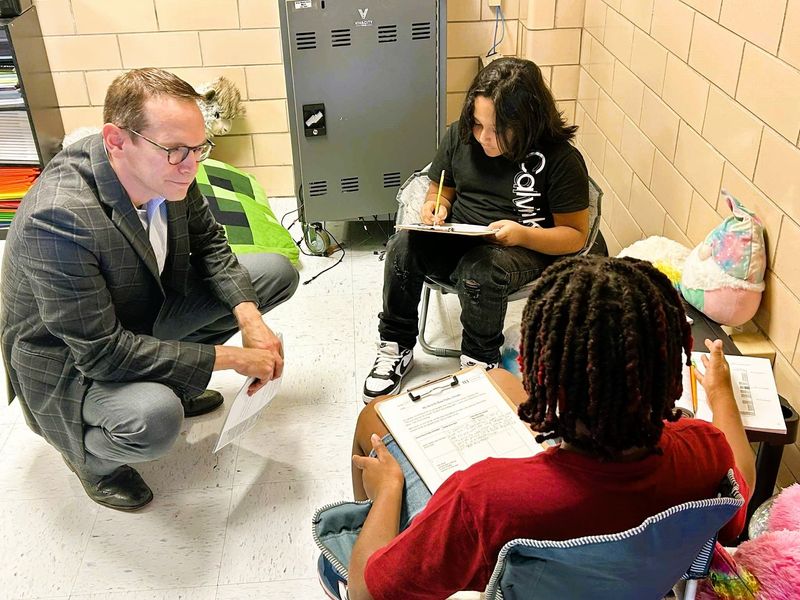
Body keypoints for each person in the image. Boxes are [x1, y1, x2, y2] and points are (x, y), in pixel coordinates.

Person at [337, 256, 755, 600]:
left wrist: (387, 491)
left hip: (497, 542)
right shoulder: (704, 448)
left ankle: (363, 528)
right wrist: (720, 394)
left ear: (543, 375)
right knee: (495, 383)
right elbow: (741, 490)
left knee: (372, 418)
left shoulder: (481, 499)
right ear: (666, 372)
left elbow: (367, 594)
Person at [0, 68, 299, 511]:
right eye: (177, 151)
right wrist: (233, 358)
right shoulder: (59, 218)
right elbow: (103, 353)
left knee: (273, 273)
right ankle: (94, 464)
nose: (192, 164)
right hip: (72, 359)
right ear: (117, 140)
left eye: (199, 148)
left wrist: (250, 320)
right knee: (154, 418)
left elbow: (211, 242)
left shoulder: (170, 167)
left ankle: (174, 380)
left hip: (138, 309)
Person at [363, 57, 592, 403]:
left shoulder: (560, 159)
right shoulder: (459, 135)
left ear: (528, 120)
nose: (484, 138)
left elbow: (575, 235)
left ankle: (480, 361)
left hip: (525, 248)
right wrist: (435, 206)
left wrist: (523, 234)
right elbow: (443, 187)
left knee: (481, 270)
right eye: (477, 124)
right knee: (401, 247)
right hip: (461, 235)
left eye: (498, 129)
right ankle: (396, 345)